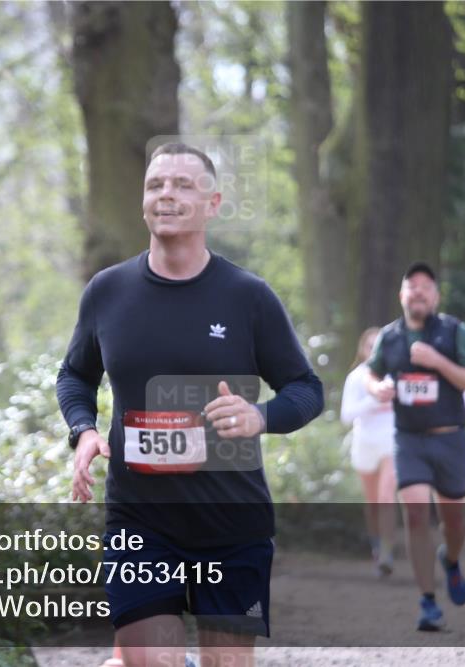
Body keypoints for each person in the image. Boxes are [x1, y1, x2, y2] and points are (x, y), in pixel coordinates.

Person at [57, 142, 323, 667]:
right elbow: (75, 374)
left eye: (182, 185)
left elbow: (306, 388)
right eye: (156, 185)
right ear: (143, 201)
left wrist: (261, 417)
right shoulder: (107, 292)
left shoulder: (248, 296)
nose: (167, 195)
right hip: (139, 521)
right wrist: (84, 430)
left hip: (231, 524)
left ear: (213, 202)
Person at [365, 262, 465, 632]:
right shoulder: (390, 336)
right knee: (416, 515)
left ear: (435, 296)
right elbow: (371, 372)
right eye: (411, 286)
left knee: (455, 523)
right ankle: (428, 602)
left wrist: (438, 362)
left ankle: (450, 558)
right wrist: (377, 388)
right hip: (409, 439)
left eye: (425, 287)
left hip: (449, 439)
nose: (418, 291)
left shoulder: (453, 331)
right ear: (402, 295)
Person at [340, 326, 397, 577]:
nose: (374, 350)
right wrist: (374, 400)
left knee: (386, 497)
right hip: (365, 443)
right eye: (369, 345)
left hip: (392, 442)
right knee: (373, 502)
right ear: (362, 350)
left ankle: (386, 552)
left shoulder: (397, 375)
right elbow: (346, 415)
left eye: (379, 345)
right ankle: (376, 545)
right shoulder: (356, 378)